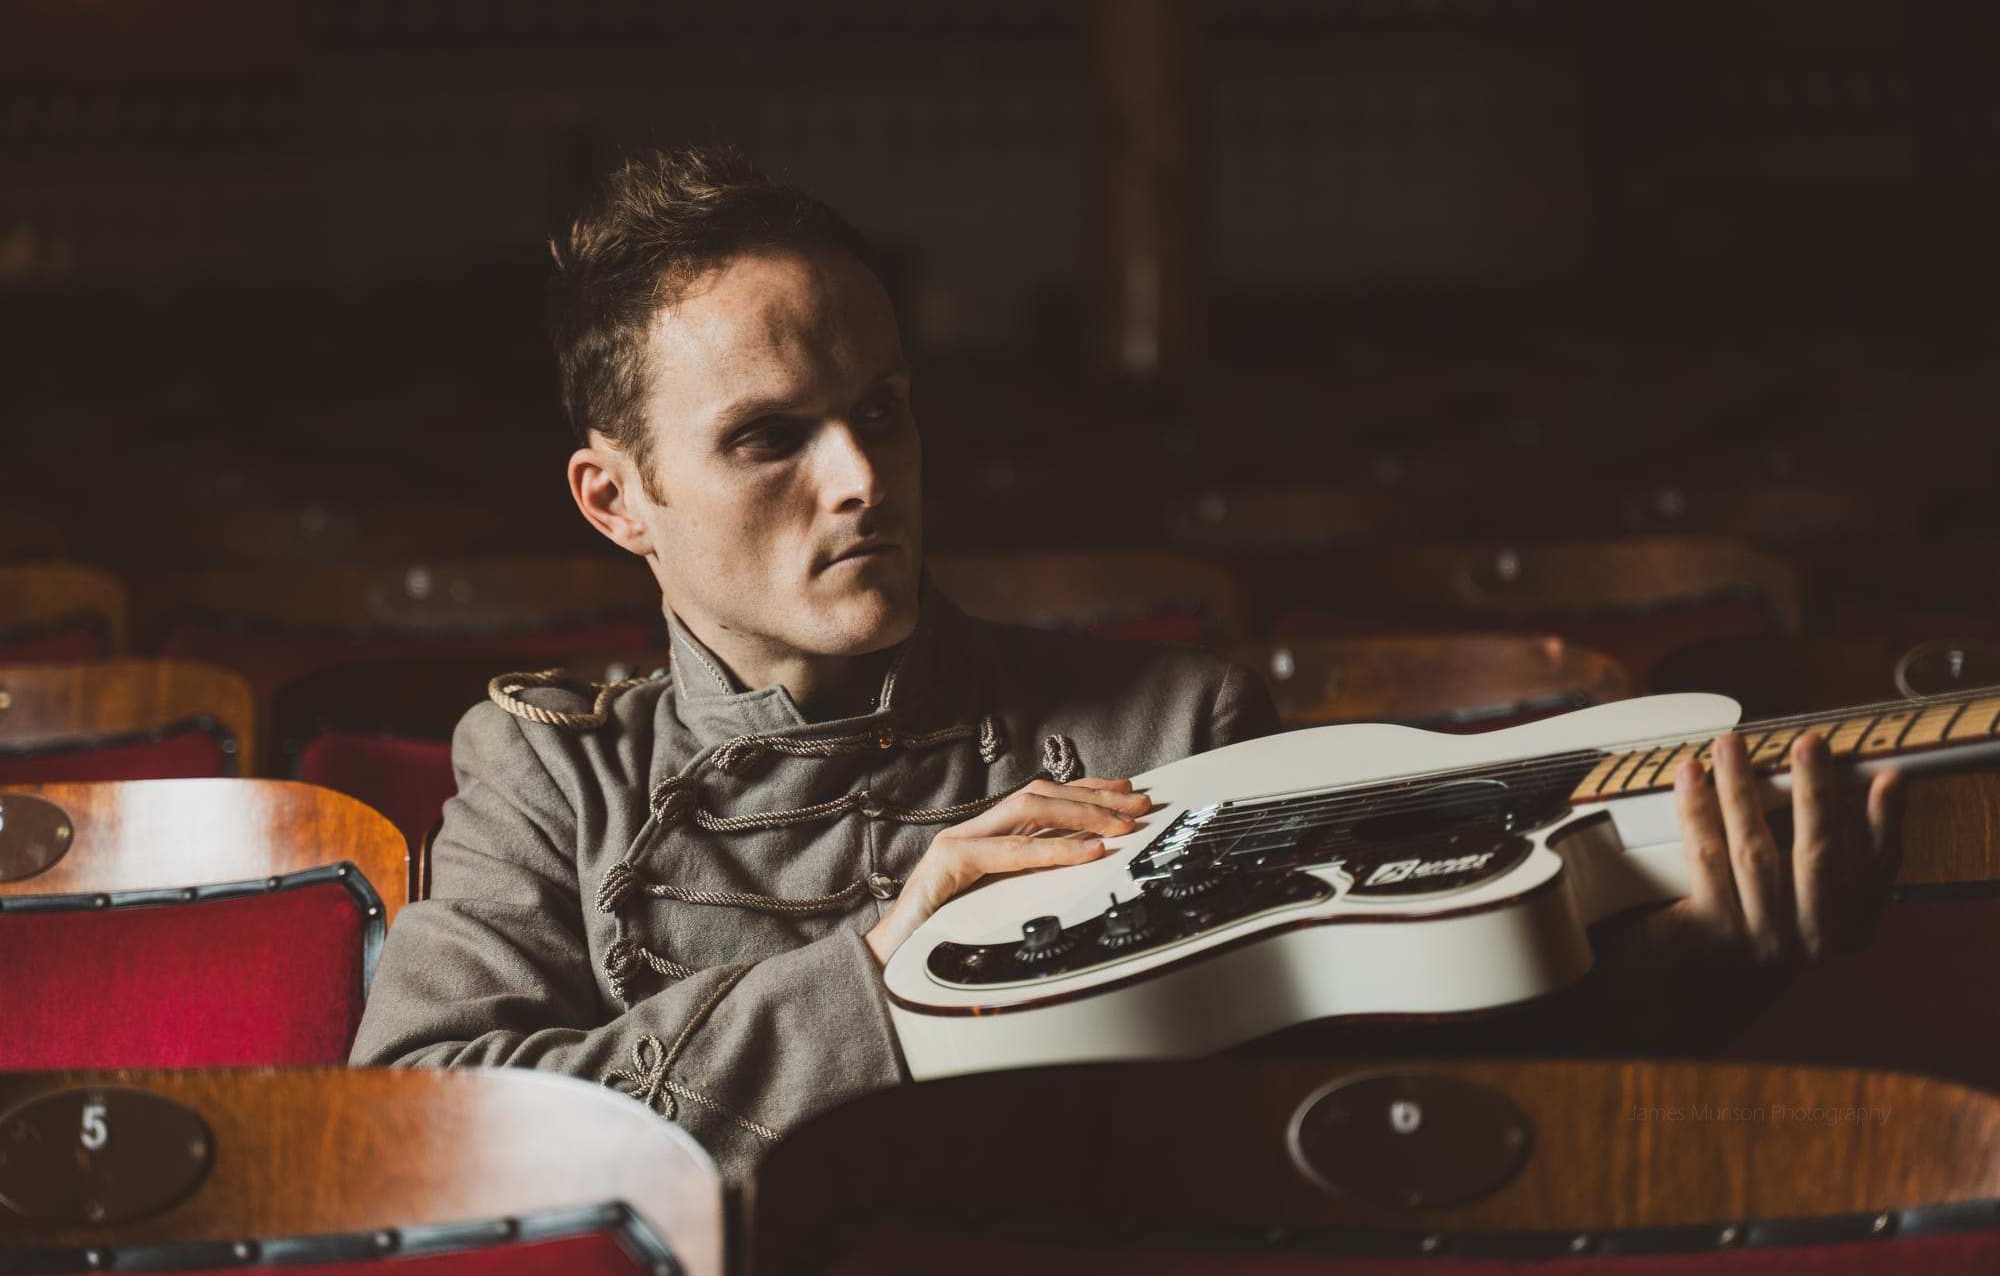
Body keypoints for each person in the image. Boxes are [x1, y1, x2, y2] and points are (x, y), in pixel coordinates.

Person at [350, 146, 1904, 1185]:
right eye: (769, 438)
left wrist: (1690, 966)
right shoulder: (548, 767)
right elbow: (429, 1125)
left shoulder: (1175, 722)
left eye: (882, 410)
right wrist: (876, 983)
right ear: (616, 497)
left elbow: (1365, 1117)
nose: (862, 481)